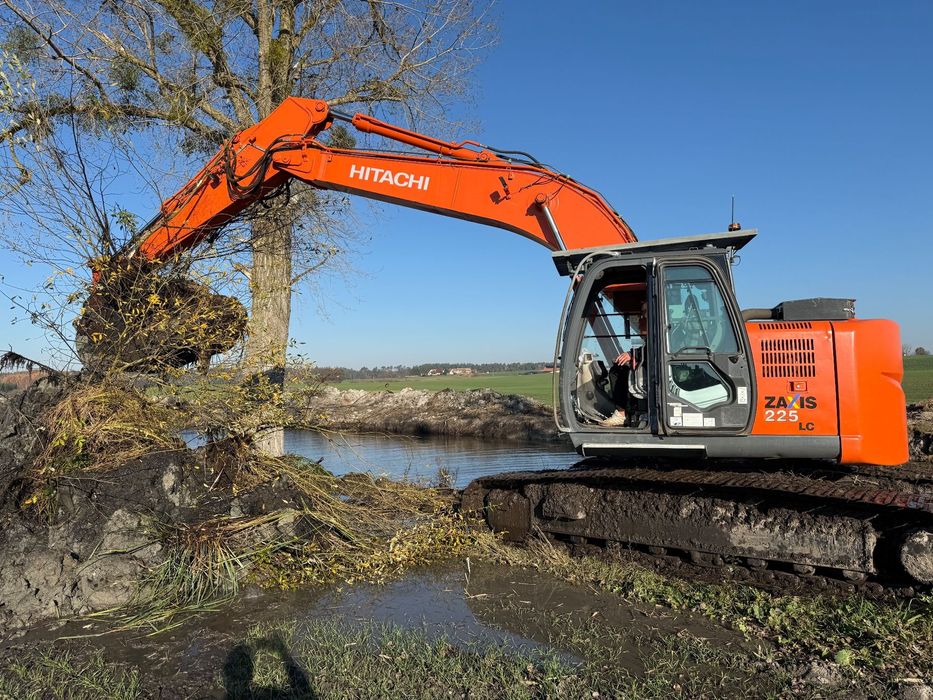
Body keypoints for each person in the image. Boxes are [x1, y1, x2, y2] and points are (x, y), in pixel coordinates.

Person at [601, 301, 647, 427]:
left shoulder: (660, 337)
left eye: (642, 317)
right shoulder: (656, 337)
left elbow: (656, 350)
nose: (639, 321)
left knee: (617, 370)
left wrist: (633, 355)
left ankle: (621, 413)